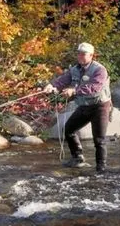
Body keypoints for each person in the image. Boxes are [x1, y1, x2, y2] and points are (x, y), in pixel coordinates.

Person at [43, 42, 112, 173]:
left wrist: (74, 91)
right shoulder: (74, 69)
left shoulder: (100, 70)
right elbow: (62, 81)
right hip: (85, 106)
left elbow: (94, 87)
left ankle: (101, 169)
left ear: (91, 55)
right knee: (68, 129)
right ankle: (77, 158)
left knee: (99, 140)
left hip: (100, 107)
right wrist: (52, 86)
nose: (80, 56)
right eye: (78, 53)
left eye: (83, 54)